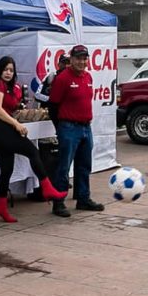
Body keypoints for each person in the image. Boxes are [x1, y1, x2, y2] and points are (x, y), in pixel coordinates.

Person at [0, 57, 66, 224]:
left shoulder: (9, 87)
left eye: (11, 70)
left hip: (1, 131)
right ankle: (48, 189)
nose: (8, 73)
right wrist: (16, 123)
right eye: (5, 69)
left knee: (6, 170)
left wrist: (17, 108)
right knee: (33, 152)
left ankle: (1, 207)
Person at [48, 44, 104, 217]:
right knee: (64, 166)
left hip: (86, 127)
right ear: (71, 59)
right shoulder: (63, 78)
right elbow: (53, 105)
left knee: (84, 165)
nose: (81, 61)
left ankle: (83, 198)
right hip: (69, 127)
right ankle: (58, 201)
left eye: (84, 58)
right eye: (78, 58)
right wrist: (60, 128)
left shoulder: (88, 77)